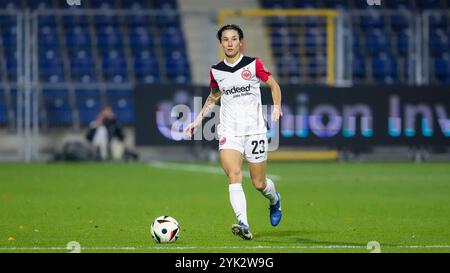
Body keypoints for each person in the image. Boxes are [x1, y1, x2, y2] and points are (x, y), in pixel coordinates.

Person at [185, 24, 283, 240]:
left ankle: (274, 199)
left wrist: (276, 106)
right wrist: (197, 121)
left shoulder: (253, 64)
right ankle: (244, 223)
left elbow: (274, 86)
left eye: (234, 39)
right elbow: (214, 97)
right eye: (226, 39)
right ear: (221, 44)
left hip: (255, 131)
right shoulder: (216, 71)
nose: (230, 43)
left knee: (259, 183)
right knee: (234, 174)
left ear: (241, 43)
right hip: (229, 132)